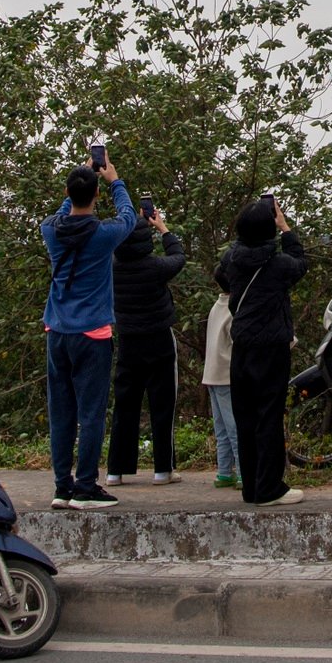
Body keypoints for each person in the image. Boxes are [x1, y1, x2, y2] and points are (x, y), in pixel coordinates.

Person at [41, 156, 139, 509]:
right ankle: (85, 486)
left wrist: (80, 182)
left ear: (67, 192)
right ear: (97, 194)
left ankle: (61, 487)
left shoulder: (49, 230)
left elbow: (62, 210)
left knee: (61, 412)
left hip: (57, 331)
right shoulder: (104, 235)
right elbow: (129, 217)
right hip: (93, 334)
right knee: (91, 412)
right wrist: (115, 181)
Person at [216, 197, 309, 506]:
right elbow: (300, 263)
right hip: (271, 349)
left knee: (246, 417)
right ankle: (269, 488)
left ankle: (251, 488)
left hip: (241, 347)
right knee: (268, 416)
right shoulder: (278, 265)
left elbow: (221, 276)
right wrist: (286, 229)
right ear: (269, 229)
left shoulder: (232, 259)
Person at [105, 205, 188, 487]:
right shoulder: (156, 267)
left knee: (125, 405)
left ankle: (116, 470)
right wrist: (162, 228)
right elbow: (178, 257)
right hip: (159, 339)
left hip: (128, 341)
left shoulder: (111, 270)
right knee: (162, 404)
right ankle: (163, 469)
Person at [201, 282, 240, 490]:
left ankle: (224, 472)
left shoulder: (217, 306)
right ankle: (243, 473)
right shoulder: (234, 309)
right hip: (227, 375)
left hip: (211, 374)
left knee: (222, 428)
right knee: (235, 427)